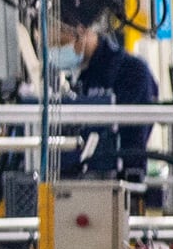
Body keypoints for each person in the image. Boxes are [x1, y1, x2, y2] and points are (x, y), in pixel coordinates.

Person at [62, 19, 160, 179]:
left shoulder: (132, 71)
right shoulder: (85, 76)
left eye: (58, 42)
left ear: (80, 30)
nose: (56, 49)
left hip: (115, 182)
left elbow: (133, 144)